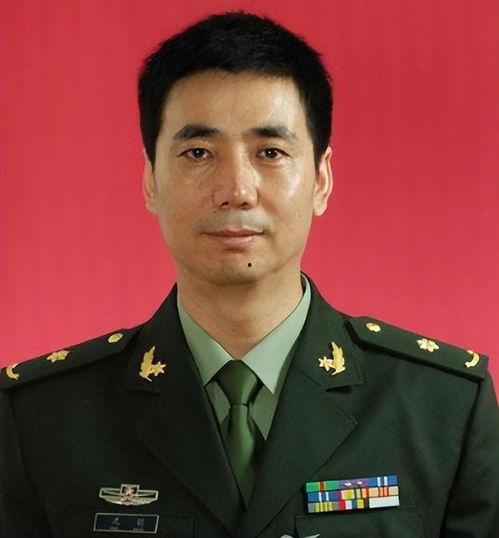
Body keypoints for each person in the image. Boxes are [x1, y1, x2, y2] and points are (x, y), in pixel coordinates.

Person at [1, 11, 498, 538]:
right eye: (198, 152)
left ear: (321, 179)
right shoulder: (39, 419)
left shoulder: (444, 409)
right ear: (150, 180)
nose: (236, 190)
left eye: (270, 152)